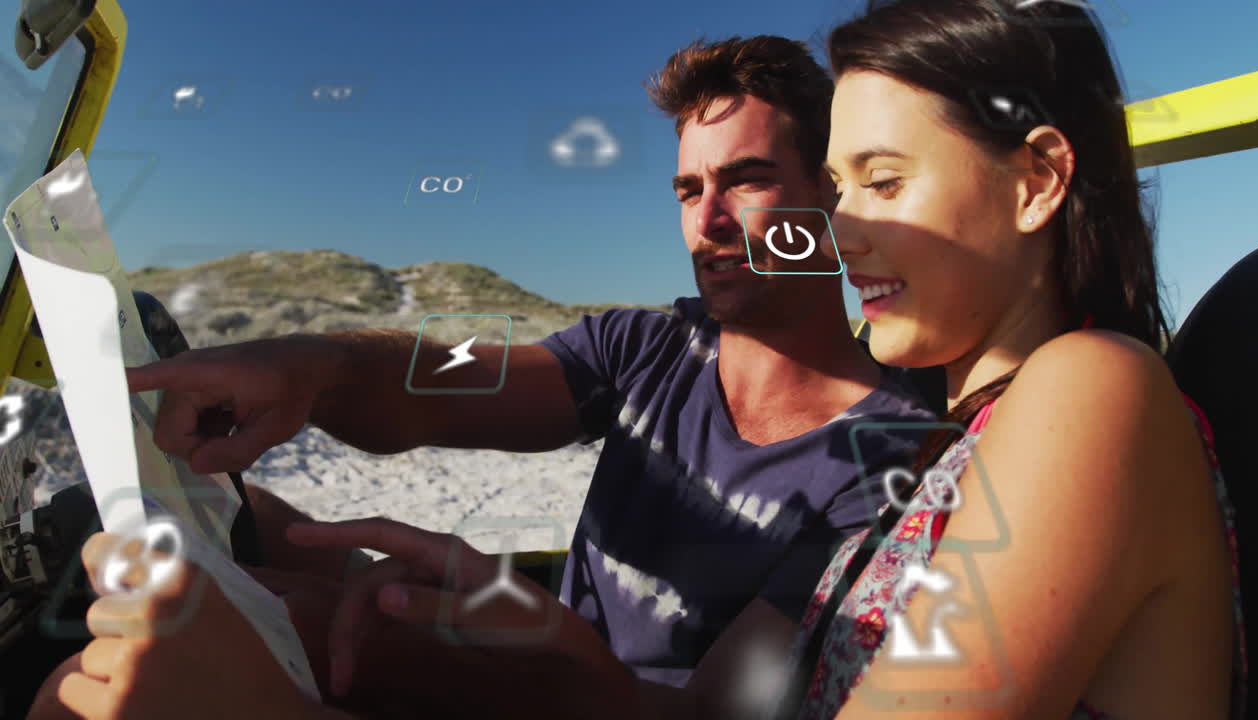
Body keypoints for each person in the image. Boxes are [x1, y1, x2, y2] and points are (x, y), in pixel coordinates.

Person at [29, 34, 938, 719]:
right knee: (257, 526)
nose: (708, 223)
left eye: (745, 180)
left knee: (116, 680)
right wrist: (316, 368)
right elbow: (450, 375)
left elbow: (708, 713)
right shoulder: (648, 347)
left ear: (830, 195)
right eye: (687, 191)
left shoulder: (892, 455)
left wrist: (452, 651)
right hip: (528, 653)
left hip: (582, 695)